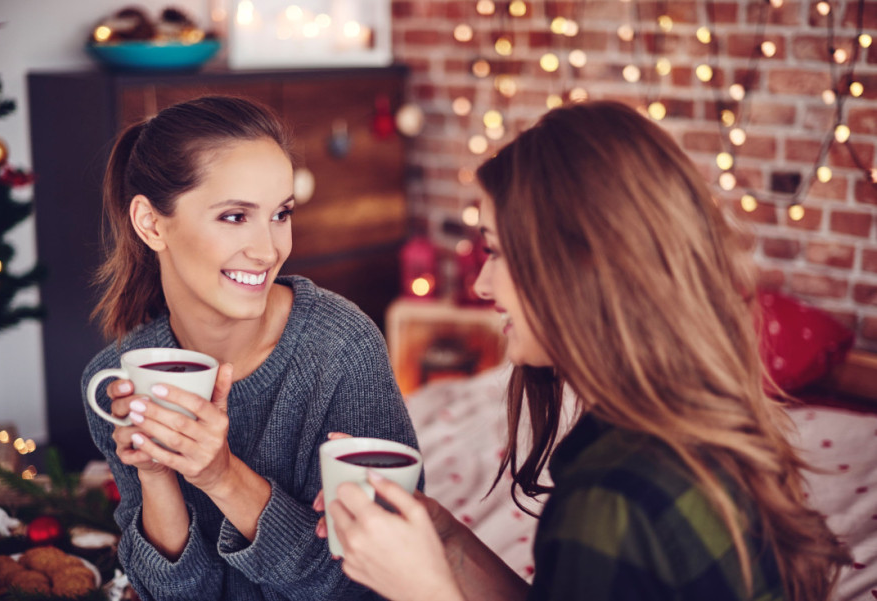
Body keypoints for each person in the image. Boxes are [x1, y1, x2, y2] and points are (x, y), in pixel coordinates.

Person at [318, 100, 851, 601]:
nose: (482, 284)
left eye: (498, 251)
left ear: (577, 271)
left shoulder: (611, 499)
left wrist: (422, 588)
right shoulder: (699, 423)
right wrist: (446, 543)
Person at [82, 95, 419, 601]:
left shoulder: (341, 348)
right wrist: (155, 477)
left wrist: (221, 477)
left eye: (280, 214)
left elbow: (382, 582)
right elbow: (179, 595)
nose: (268, 250)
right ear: (151, 224)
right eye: (236, 217)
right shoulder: (114, 379)